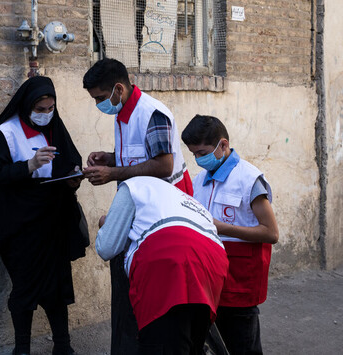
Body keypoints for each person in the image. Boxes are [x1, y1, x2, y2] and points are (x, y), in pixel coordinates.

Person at [81, 58, 193, 354]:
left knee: (156, 290)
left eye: (101, 99)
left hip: (166, 207)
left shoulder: (152, 113)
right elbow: (137, 156)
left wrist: (113, 174)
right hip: (139, 201)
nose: (99, 106)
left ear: (119, 89)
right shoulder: (122, 114)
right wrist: (110, 157)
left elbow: (163, 164)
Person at [0, 76, 84, 355]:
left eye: (50, 108)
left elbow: (68, 161)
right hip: (20, 225)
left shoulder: (55, 128)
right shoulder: (7, 133)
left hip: (53, 222)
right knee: (25, 288)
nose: (45, 115)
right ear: (27, 105)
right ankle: (22, 348)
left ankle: (63, 346)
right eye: (40, 109)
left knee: (56, 288)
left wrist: (73, 177)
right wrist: (29, 165)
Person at [96, 176, 229, 354]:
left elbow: (106, 247)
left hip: (167, 263)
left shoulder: (131, 186)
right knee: (192, 343)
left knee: (160, 343)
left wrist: (109, 224)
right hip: (213, 260)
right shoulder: (182, 197)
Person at [181, 115, 279, 355]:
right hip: (208, 279)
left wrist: (222, 228)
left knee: (242, 346)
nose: (198, 159)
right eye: (193, 154)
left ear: (223, 145)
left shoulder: (249, 179)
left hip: (240, 281)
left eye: (202, 152)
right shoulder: (199, 180)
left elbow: (271, 232)